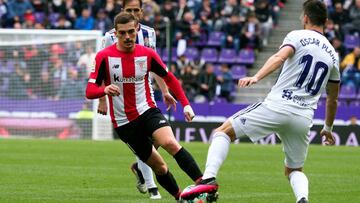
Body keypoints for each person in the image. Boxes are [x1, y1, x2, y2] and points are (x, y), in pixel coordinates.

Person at [181, 1, 340, 203]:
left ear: (305, 18)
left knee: (222, 132)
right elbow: (333, 98)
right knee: (294, 170)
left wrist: (256, 77)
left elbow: (279, 57)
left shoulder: (297, 36)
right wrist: (327, 127)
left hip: (277, 106)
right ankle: (303, 200)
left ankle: (209, 179)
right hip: (303, 117)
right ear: (326, 21)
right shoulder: (333, 55)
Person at [86, 12, 203, 201]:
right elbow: (90, 90)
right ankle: (180, 197)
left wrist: (186, 104)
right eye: (122, 33)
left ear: (137, 29)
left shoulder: (147, 54)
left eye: (131, 32)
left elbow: (169, 78)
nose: (127, 37)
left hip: (147, 110)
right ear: (115, 34)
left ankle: (203, 183)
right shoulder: (103, 57)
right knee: (160, 167)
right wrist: (104, 90)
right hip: (124, 123)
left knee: (170, 143)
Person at [96, 0, 177, 199]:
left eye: (136, 9)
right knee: (144, 141)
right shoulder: (109, 36)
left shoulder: (149, 33)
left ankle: (142, 171)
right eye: (129, 10)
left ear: (141, 11)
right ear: (123, 11)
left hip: (145, 91)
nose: (133, 13)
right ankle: (152, 187)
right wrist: (102, 98)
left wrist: (165, 91)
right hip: (120, 94)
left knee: (154, 140)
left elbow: (155, 65)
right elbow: (103, 68)